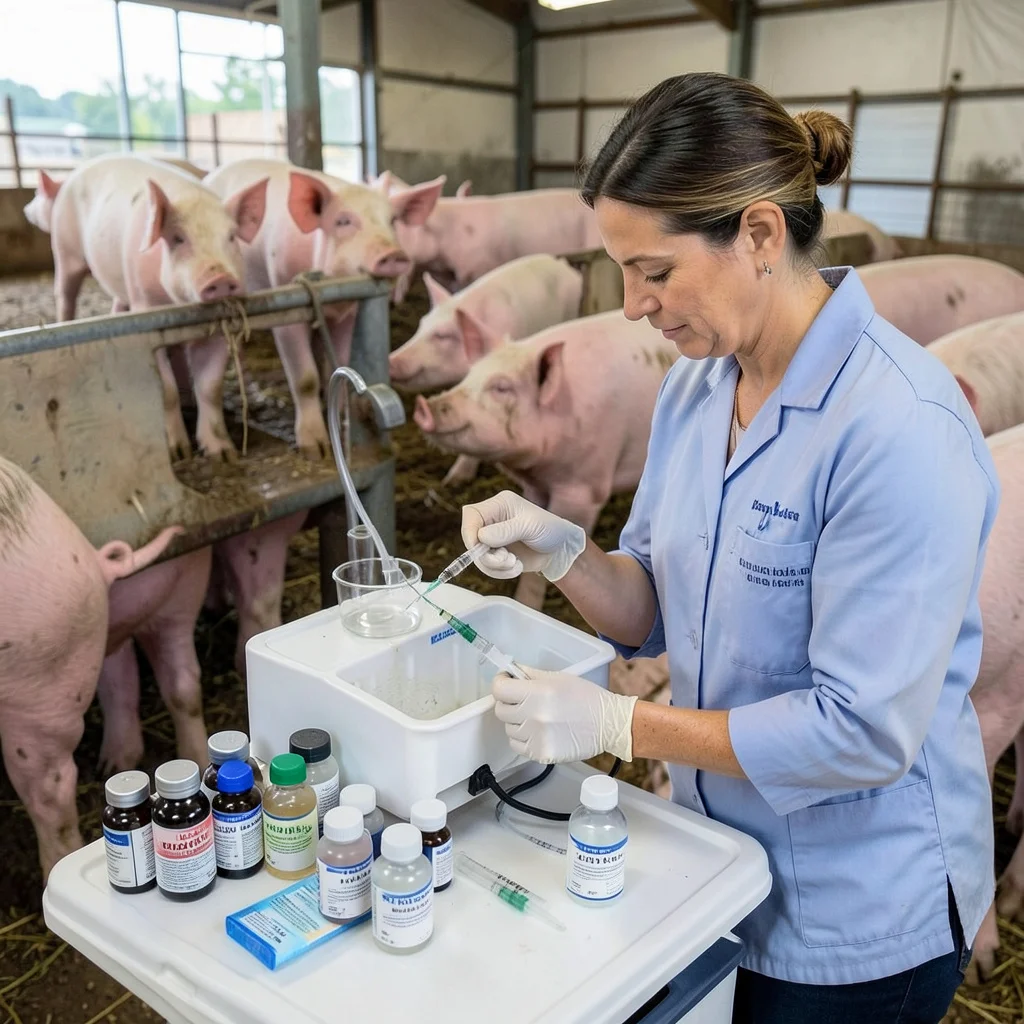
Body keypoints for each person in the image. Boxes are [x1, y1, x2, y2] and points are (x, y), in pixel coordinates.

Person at [460, 73, 999, 1024]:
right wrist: (562, 552)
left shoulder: (898, 429)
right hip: (720, 864)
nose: (631, 306)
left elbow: (862, 730)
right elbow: (652, 606)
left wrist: (620, 727)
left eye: (655, 272)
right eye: (622, 271)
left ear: (758, 235)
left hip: (858, 917)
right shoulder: (696, 392)